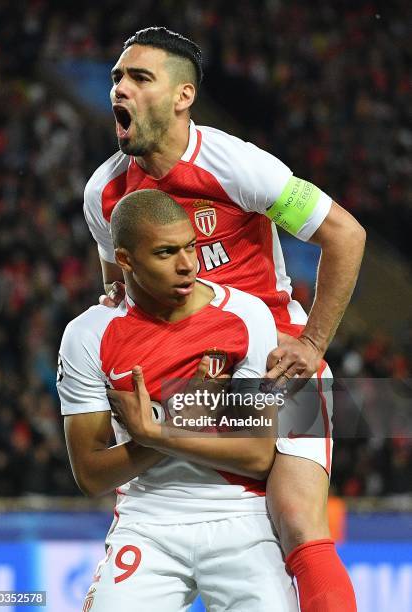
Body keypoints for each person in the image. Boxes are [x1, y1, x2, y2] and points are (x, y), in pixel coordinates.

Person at [84, 26, 364, 610]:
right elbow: (119, 292)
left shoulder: (235, 165)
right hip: (181, 380)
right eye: (116, 77)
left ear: (182, 96)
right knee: (156, 520)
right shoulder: (104, 194)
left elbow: (345, 233)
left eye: (140, 77)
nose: (122, 88)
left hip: (272, 366)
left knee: (297, 520)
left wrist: (312, 342)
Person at [58, 189, 298, 611]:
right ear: (126, 260)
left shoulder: (245, 316)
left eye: (190, 246)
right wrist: (181, 422)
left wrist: (160, 431)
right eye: (167, 252)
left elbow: (258, 456)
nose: (188, 264)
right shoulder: (88, 335)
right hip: (148, 520)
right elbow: (92, 476)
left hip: (241, 517)